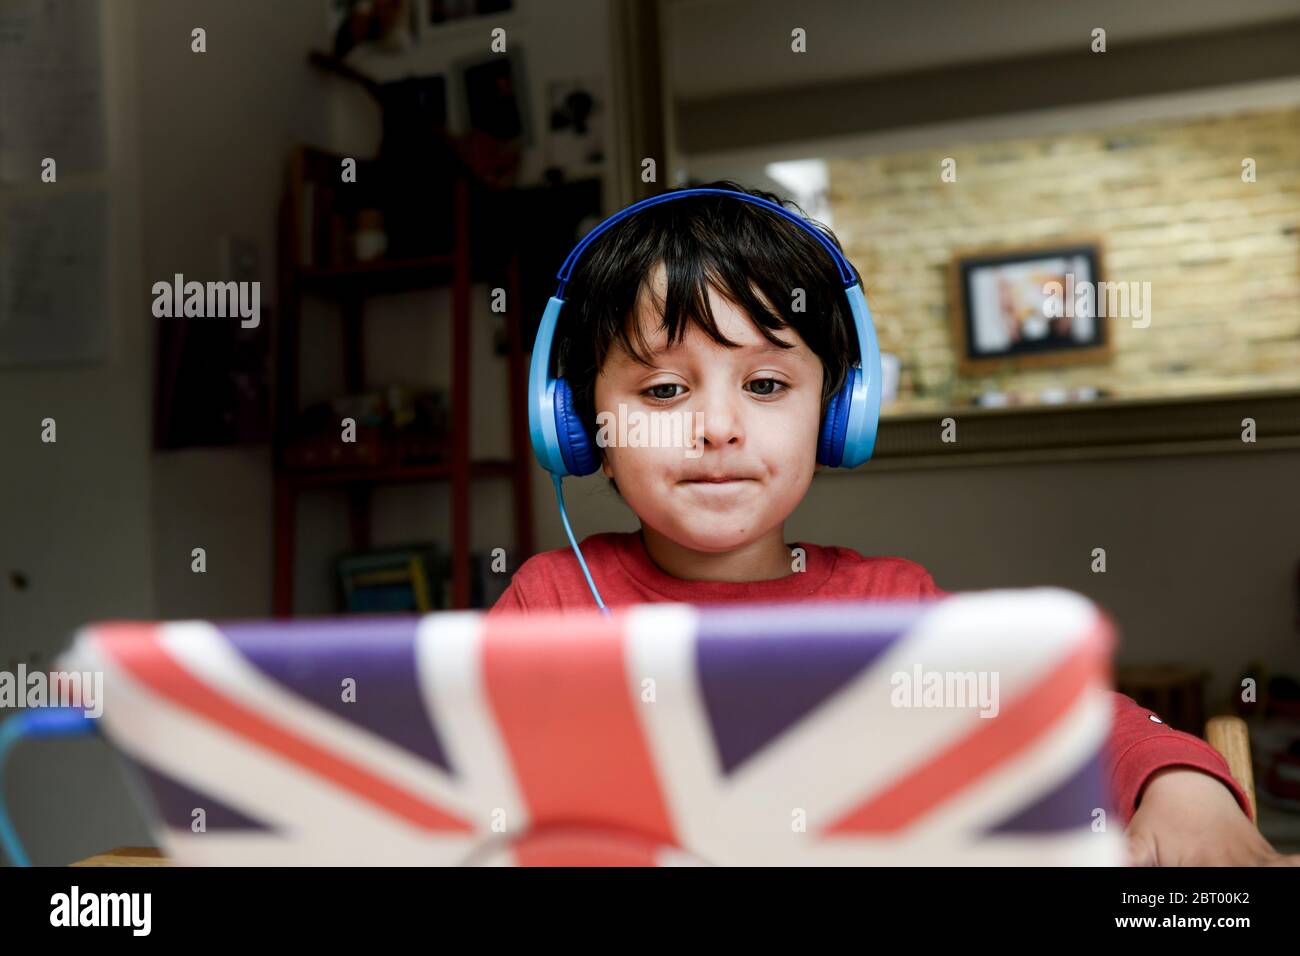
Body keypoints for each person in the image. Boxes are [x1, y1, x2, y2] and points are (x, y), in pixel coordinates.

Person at [490, 181, 1294, 867]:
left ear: (840, 412)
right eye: (664, 392)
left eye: (766, 385)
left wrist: (1176, 783)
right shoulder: (551, 603)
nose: (719, 427)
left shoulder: (892, 605)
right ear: (577, 420)